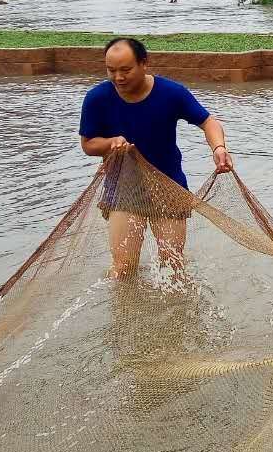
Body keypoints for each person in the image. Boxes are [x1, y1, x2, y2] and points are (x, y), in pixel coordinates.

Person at [79, 37, 233, 278]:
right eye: (111, 70)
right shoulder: (97, 98)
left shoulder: (171, 93)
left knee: (172, 268)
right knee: (123, 270)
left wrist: (218, 148)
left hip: (168, 187)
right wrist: (110, 143)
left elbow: (208, 122)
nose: (118, 77)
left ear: (144, 63)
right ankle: (125, 314)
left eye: (125, 70)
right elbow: (88, 144)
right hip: (123, 190)